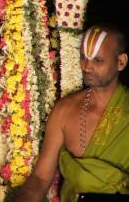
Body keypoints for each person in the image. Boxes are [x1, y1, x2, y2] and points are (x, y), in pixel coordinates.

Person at [17, 24, 129, 201]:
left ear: (121, 62)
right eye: (84, 58)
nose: (87, 66)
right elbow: (40, 179)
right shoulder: (64, 110)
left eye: (98, 60)